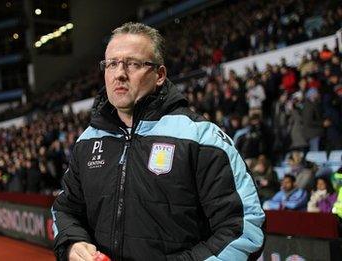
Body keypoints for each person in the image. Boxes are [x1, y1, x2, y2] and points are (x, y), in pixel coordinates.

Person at [52, 22, 265, 261]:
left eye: (133, 63)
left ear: (160, 75)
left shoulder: (201, 138)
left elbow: (245, 230)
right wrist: (73, 242)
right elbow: (65, 209)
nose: (119, 73)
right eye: (112, 63)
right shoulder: (88, 141)